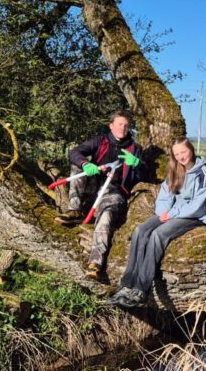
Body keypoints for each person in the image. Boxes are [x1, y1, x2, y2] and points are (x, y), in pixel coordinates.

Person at [107, 138, 206, 308]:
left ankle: (141, 289)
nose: (181, 157)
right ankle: (127, 285)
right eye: (177, 154)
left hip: (191, 216)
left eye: (183, 152)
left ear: (191, 150)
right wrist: (163, 212)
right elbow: (165, 195)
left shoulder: (203, 171)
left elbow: (199, 205)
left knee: (157, 235)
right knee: (140, 230)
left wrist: (172, 213)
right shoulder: (175, 169)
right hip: (170, 213)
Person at [56, 110, 146, 281]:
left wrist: (137, 165)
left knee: (105, 218)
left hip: (113, 192)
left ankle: (95, 263)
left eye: (126, 125)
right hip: (92, 187)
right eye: (119, 124)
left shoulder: (134, 149)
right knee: (77, 167)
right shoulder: (100, 141)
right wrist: (85, 164)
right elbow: (75, 152)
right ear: (111, 126)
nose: (123, 128)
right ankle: (74, 210)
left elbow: (144, 177)